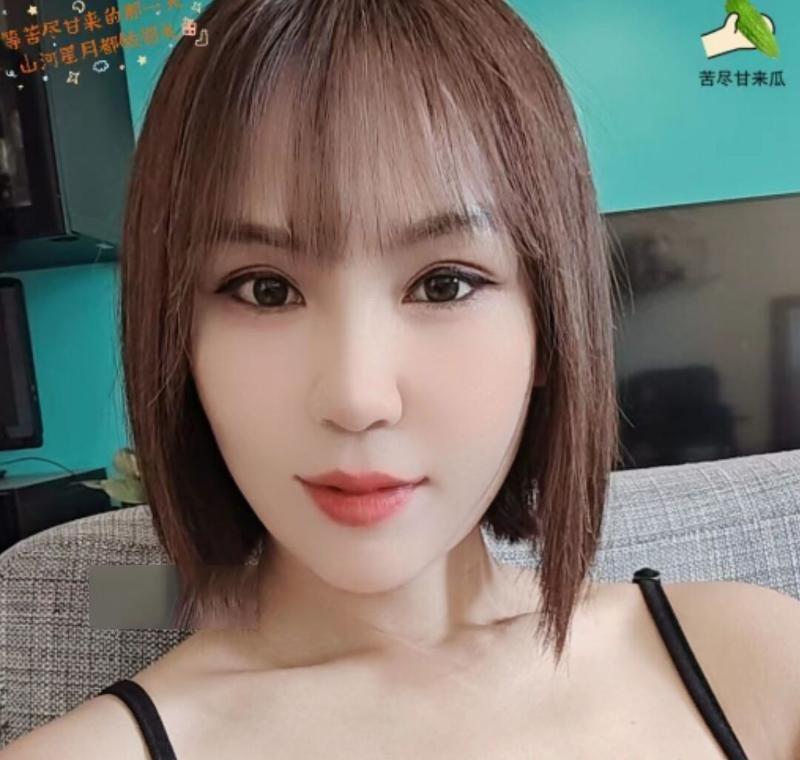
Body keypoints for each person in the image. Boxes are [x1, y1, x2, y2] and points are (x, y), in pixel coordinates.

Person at [4, 0, 800, 758]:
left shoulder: (755, 664)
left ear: (549, 327)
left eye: (444, 284)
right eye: (265, 290)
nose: (357, 398)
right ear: (180, 342)